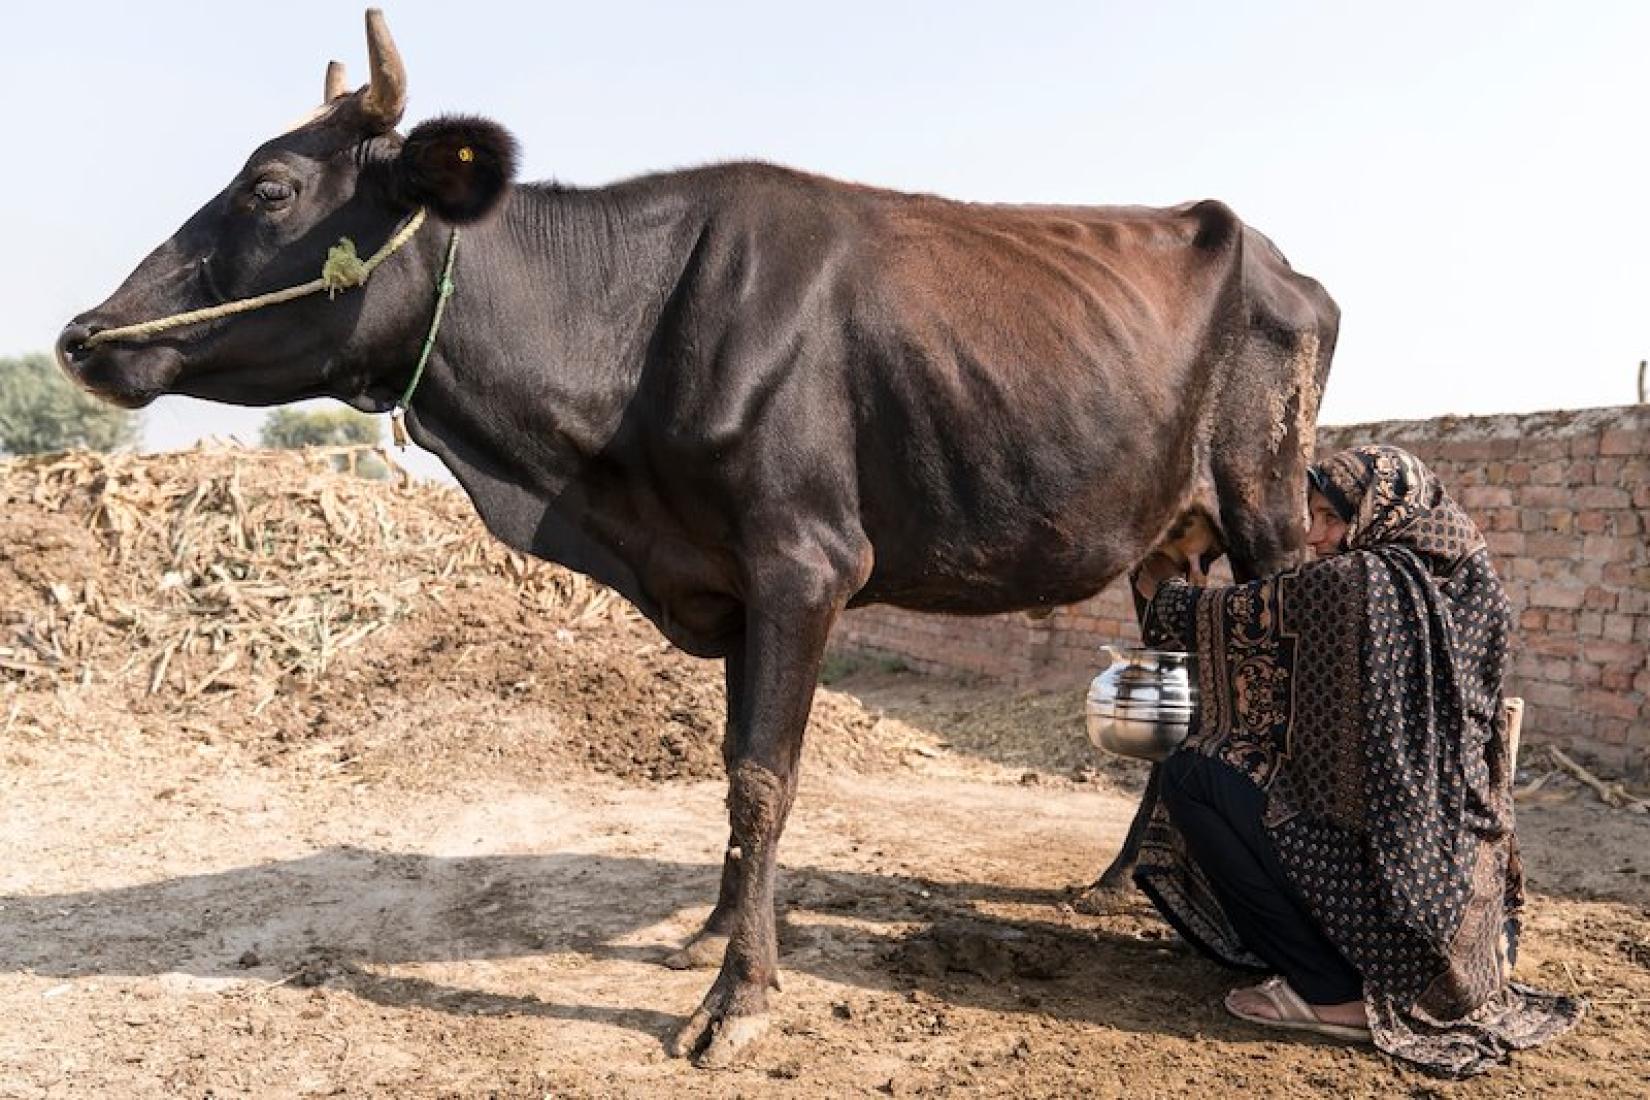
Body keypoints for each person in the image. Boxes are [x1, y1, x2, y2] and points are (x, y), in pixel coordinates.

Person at [1128, 444, 1584, 1077]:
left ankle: (1328, 991)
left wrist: (1165, 590)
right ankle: (1352, 967)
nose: (1312, 536)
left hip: (1401, 912)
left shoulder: (1365, 581)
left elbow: (1237, 621)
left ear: (1376, 511)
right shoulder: (1472, 576)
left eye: (1326, 517)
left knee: (1191, 772)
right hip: (1470, 923)